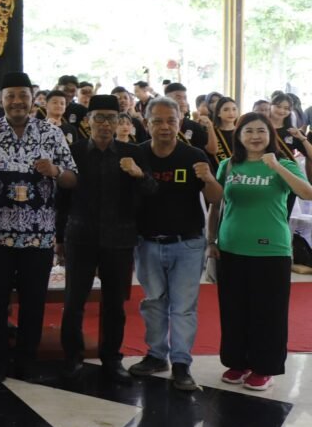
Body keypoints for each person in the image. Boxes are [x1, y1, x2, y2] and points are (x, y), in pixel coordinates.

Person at [0, 73, 77, 383]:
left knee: (34, 300)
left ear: (34, 97)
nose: (17, 101)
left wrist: (56, 171)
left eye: (22, 95)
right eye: (10, 95)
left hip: (38, 235)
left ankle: (27, 359)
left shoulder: (52, 134)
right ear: (0, 99)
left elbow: (74, 178)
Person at [57, 95, 157, 383]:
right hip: (80, 236)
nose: (104, 123)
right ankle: (72, 358)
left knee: (114, 303)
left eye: (111, 118)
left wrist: (138, 174)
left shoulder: (133, 152)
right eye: (98, 117)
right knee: (75, 301)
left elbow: (151, 190)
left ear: (120, 122)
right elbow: (61, 198)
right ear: (88, 120)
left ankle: (112, 359)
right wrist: (60, 237)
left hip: (120, 238)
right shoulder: (74, 151)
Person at [208, 112, 312, 391]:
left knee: (268, 312)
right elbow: (217, 206)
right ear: (239, 136)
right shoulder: (228, 166)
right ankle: (237, 362)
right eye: (249, 131)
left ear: (270, 135)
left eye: (261, 131)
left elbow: (307, 193)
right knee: (233, 309)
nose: (255, 136)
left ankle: (263, 367)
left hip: (272, 251)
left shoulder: (285, 163)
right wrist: (211, 241)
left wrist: (277, 167)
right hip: (230, 247)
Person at [126, 97, 222, 391]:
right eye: (158, 121)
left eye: (171, 120)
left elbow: (217, 197)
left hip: (188, 244)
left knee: (183, 308)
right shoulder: (136, 155)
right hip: (147, 243)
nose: (165, 127)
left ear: (181, 122)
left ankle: (181, 364)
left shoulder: (193, 155)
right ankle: (156, 356)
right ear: (146, 123)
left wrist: (207, 179)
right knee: (153, 303)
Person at [163, 83, 217, 157]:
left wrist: (210, 127)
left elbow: (212, 151)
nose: (183, 101)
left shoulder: (194, 126)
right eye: (178, 97)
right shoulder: (160, 125)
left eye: (185, 98)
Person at [211, 96, 240, 166]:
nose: (231, 113)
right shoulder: (212, 132)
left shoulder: (241, 131)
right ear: (218, 113)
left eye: (234, 109)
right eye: (226, 110)